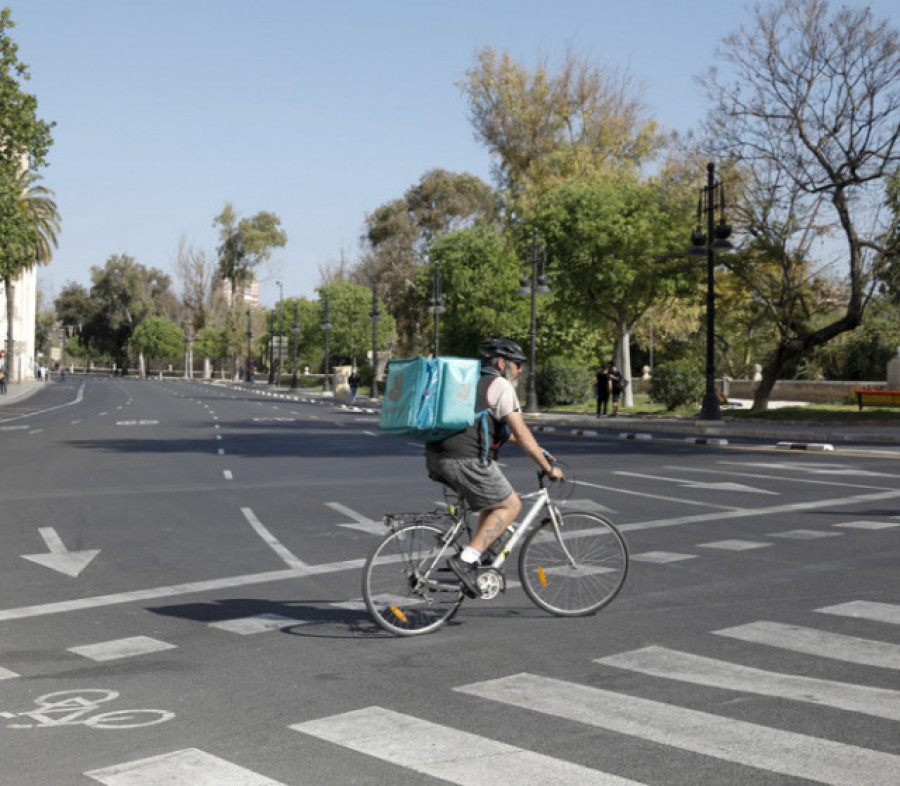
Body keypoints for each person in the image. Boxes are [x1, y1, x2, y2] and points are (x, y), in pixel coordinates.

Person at [425, 338, 565, 597]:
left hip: (436, 456)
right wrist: (548, 467)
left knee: (492, 502)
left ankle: (478, 558)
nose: (520, 370)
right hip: (466, 460)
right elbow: (521, 434)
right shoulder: (499, 385)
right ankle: (466, 560)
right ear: (502, 363)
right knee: (511, 504)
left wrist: (539, 449)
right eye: (517, 364)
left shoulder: (467, 382)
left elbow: (485, 427)